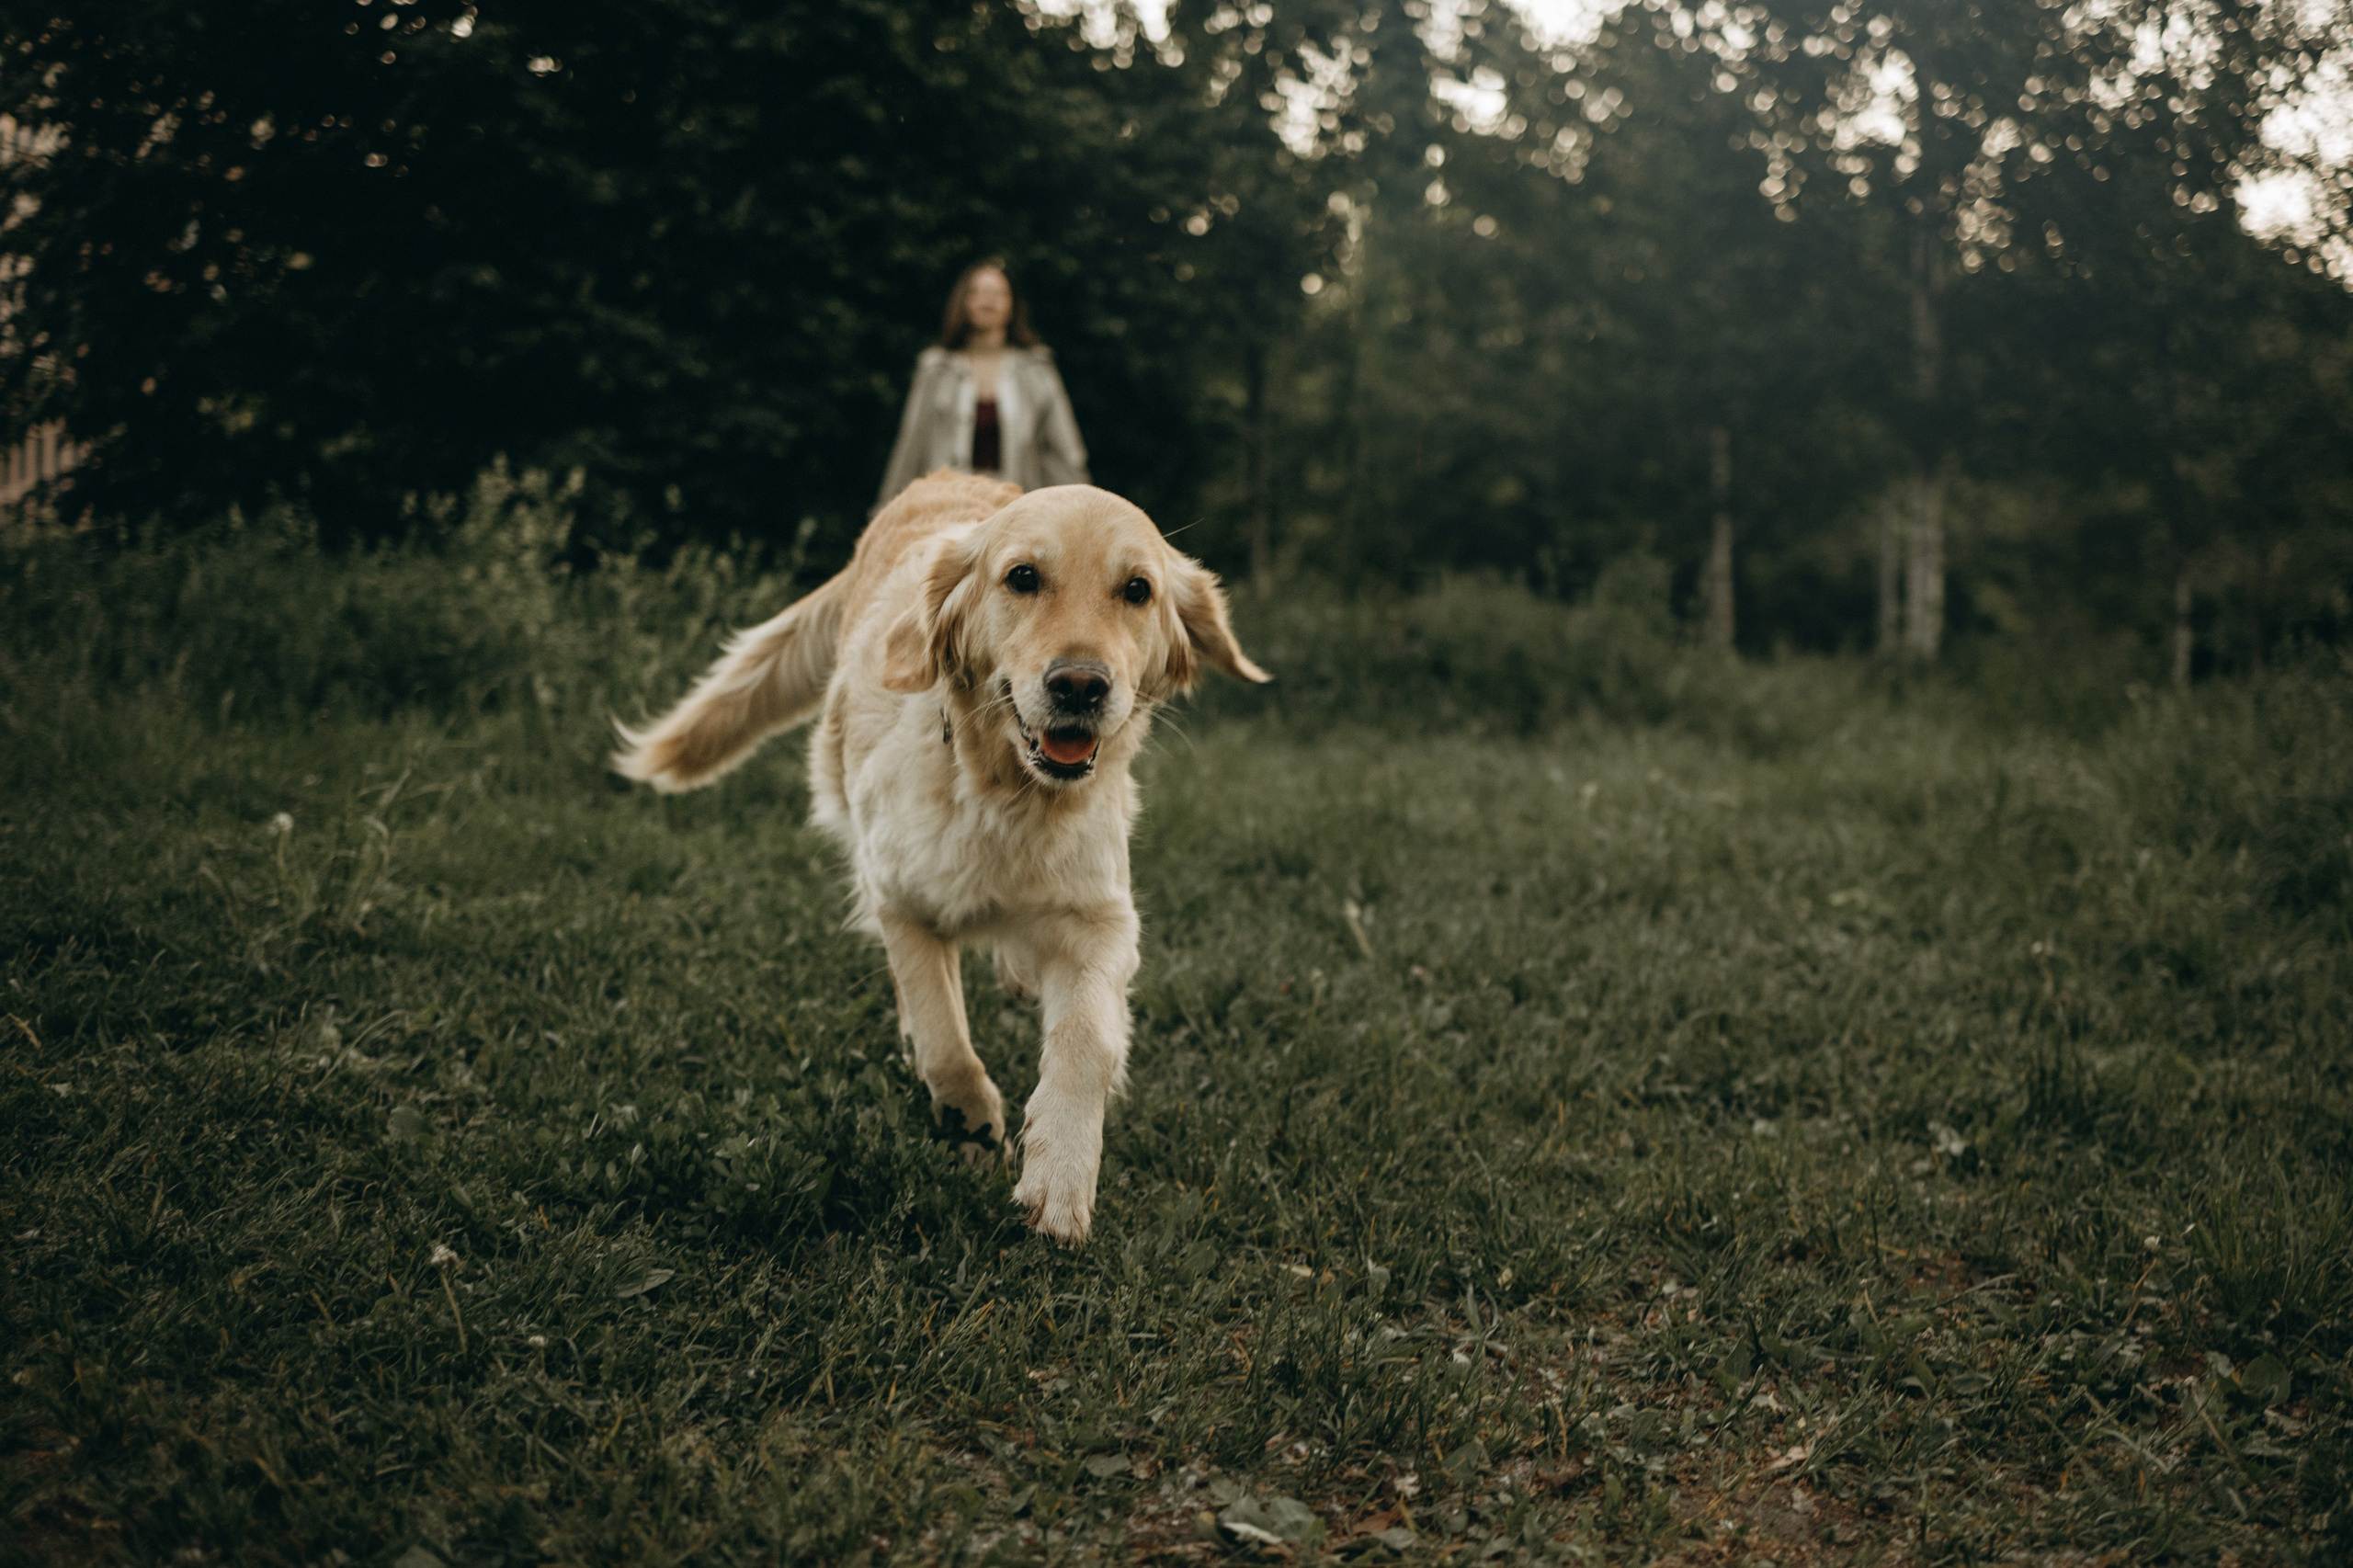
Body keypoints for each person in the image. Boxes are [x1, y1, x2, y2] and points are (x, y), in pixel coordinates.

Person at [877, 260, 1089, 506]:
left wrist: (1079, 509)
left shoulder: (1036, 370)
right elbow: (911, 447)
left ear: (1012, 306)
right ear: (964, 302)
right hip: (946, 511)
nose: (987, 300)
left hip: (1016, 511)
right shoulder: (935, 369)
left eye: (998, 293)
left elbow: (1064, 452)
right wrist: (887, 512)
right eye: (978, 292)